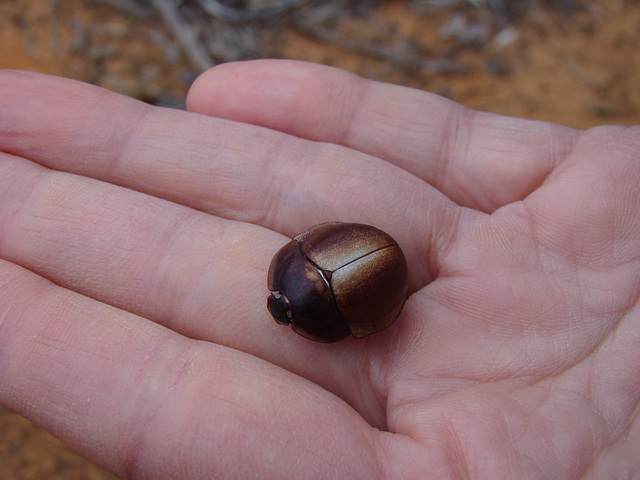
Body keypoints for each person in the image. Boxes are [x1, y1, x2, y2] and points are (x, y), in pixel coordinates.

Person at [0, 59, 638, 479]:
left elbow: (355, 299)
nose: (278, 309)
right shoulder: (296, 268)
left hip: (366, 275)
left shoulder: (294, 270)